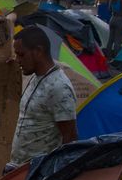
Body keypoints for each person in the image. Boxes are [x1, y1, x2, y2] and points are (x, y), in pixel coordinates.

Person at [7, 27, 78, 170]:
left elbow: (69, 138)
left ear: (38, 51)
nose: (17, 60)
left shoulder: (59, 87)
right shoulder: (35, 77)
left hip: (37, 172)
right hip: (18, 168)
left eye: (21, 55)